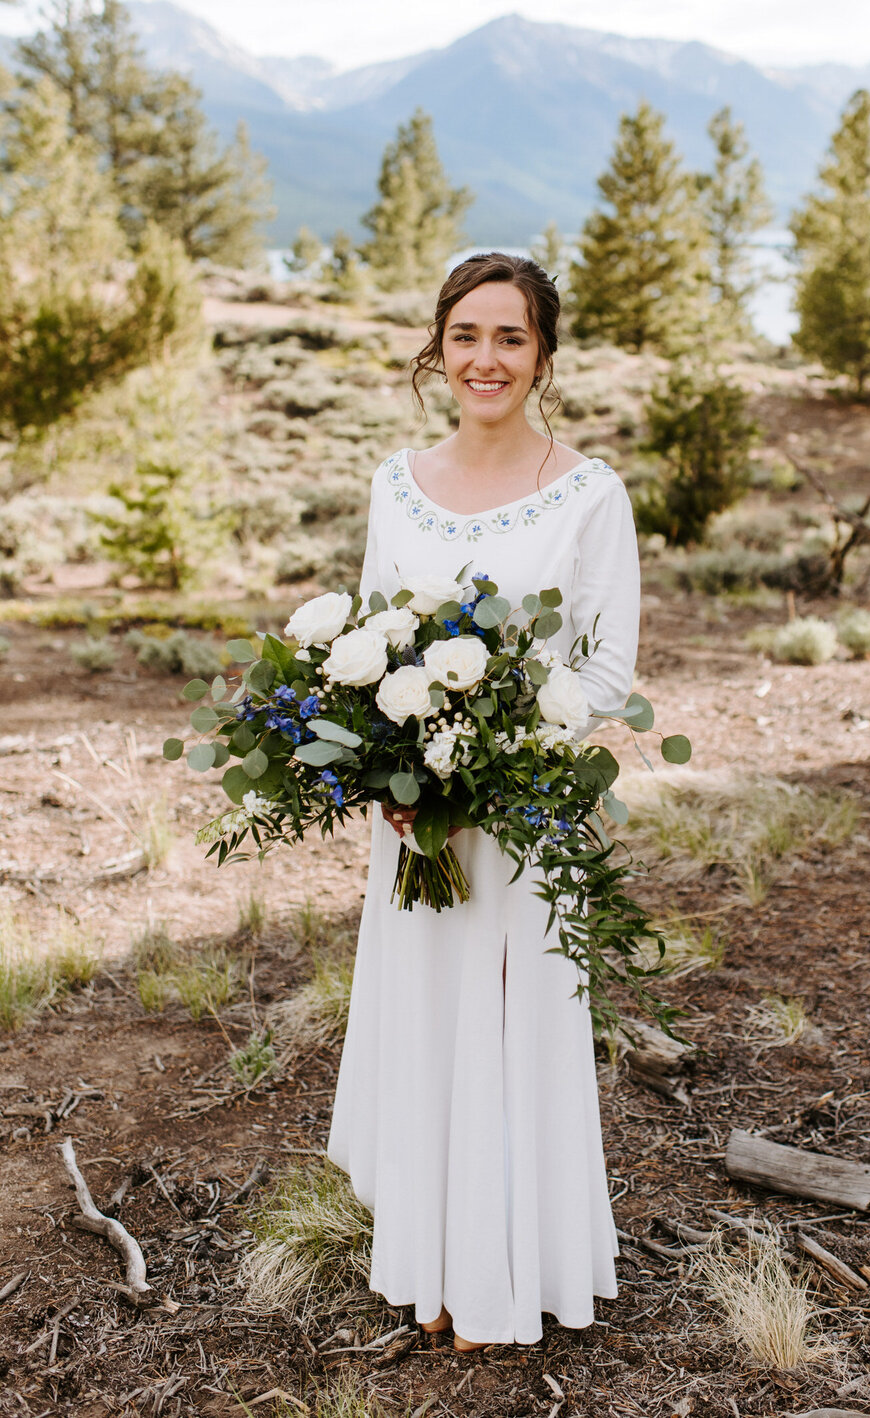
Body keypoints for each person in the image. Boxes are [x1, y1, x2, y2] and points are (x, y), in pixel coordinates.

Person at [327, 251, 641, 1350]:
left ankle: (509, 1272)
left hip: (522, 816)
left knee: (509, 1021)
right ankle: (431, 1262)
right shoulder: (394, 483)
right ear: (437, 348)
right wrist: (395, 770)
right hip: (415, 821)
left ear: (544, 354)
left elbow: (604, 672)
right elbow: (366, 638)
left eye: (511, 337)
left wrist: (488, 766)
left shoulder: (589, 494)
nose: (486, 358)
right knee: (427, 1018)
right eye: (467, 335)